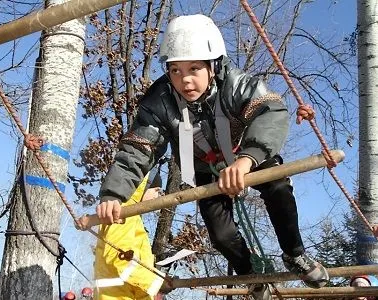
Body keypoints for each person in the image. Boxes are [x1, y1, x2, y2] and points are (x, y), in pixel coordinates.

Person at [95, 14, 329, 300]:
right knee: (220, 235)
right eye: (175, 70)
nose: (185, 80)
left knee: (278, 187)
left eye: (194, 68)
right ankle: (250, 274)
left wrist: (247, 159)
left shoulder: (235, 83)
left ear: (213, 65)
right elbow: (137, 148)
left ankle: (295, 254)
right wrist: (113, 194)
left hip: (247, 155)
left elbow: (271, 111)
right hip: (205, 168)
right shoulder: (159, 100)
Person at [94, 173, 165, 300]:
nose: (157, 196)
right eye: (156, 190)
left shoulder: (132, 216)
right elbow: (120, 258)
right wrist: (157, 282)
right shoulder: (123, 212)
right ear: (145, 187)